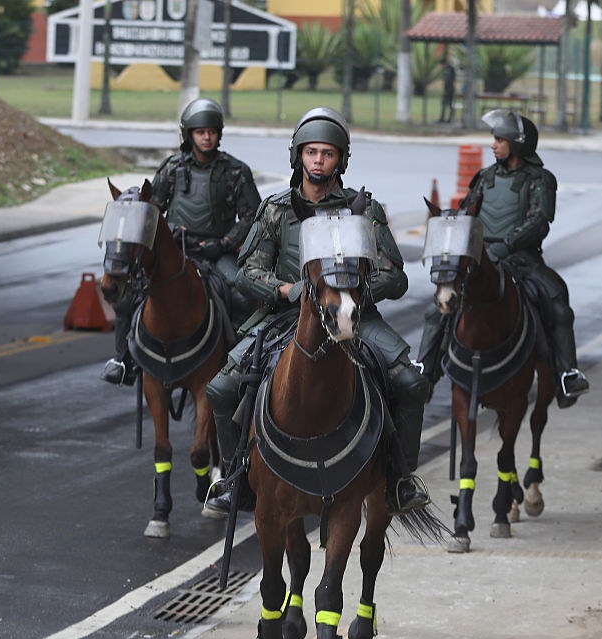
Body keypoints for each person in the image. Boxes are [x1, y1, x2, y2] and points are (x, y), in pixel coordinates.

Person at [203, 107, 431, 517]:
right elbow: (248, 272)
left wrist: (353, 293)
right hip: (287, 317)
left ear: (340, 159)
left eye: (327, 153)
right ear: (298, 156)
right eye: (312, 153)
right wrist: (288, 290)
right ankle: (236, 477)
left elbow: (394, 276)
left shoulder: (364, 210)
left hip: (351, 315)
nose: (319, 161)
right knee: (221, 389)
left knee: (411, 383)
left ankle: (400, 479)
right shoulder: (276, 209)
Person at [417, 109, 589, 408]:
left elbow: (539, 221)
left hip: (522, 260)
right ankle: (424, 372)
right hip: (481, 259)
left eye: (499, 139)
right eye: (493, 139)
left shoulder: (541, 179)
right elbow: (468, 215)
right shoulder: (485, 177)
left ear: (517, 142)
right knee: (440, 307)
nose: (493, 145)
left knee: (557, 303)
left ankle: (566, 374)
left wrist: (505, 246)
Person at [100, 97, 262, 386]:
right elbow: (151, 210)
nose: (207, 137)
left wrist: (225, 242)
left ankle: (239, 357)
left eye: (212, 131)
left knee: (242, 292)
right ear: (189, 135)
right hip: (175, 250)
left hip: (216, 252)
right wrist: (173, 229)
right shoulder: (172, 167)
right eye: (200, 132)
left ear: (219, 133)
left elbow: (252, 218)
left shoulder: (236, 171)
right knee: (130, 294)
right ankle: (124, 359)